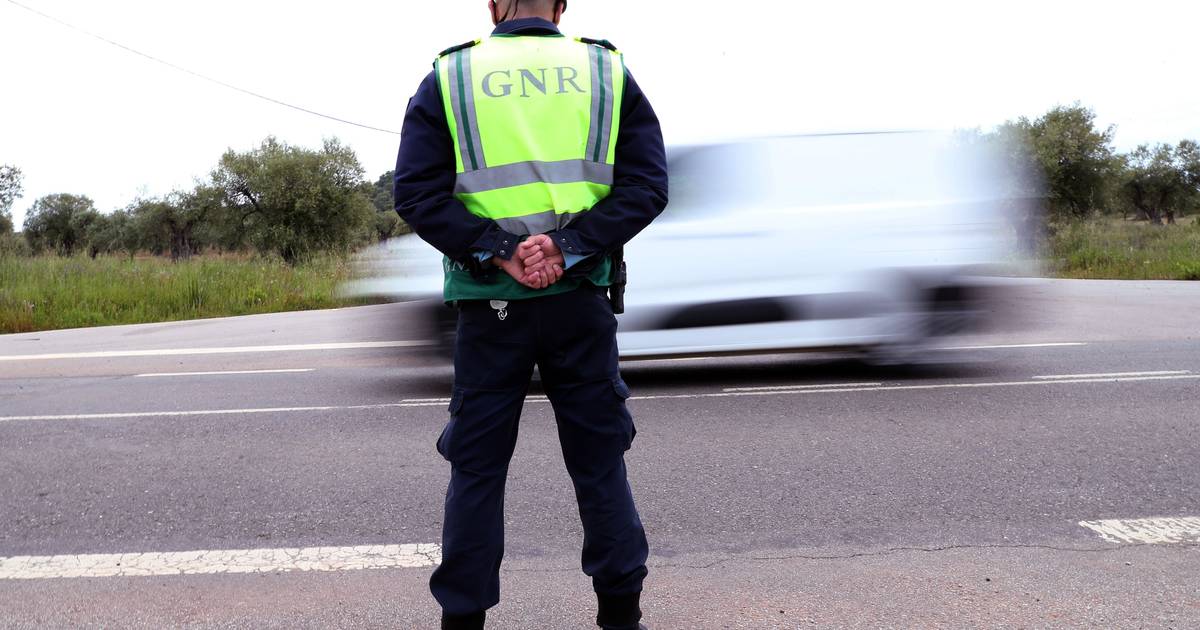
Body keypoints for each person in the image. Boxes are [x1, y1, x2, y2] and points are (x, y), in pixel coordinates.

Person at [393, 1, 668, 628]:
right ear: (563, 3)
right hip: (579, 303)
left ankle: (463, 620)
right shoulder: (606, 72)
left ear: (492, 3)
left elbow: (415, 191)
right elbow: (646, 185)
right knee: (599, 463)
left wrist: (499, 250)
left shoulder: (451, 77)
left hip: (490, 309)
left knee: (478, 470)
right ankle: (621, 615)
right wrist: (567, 249)